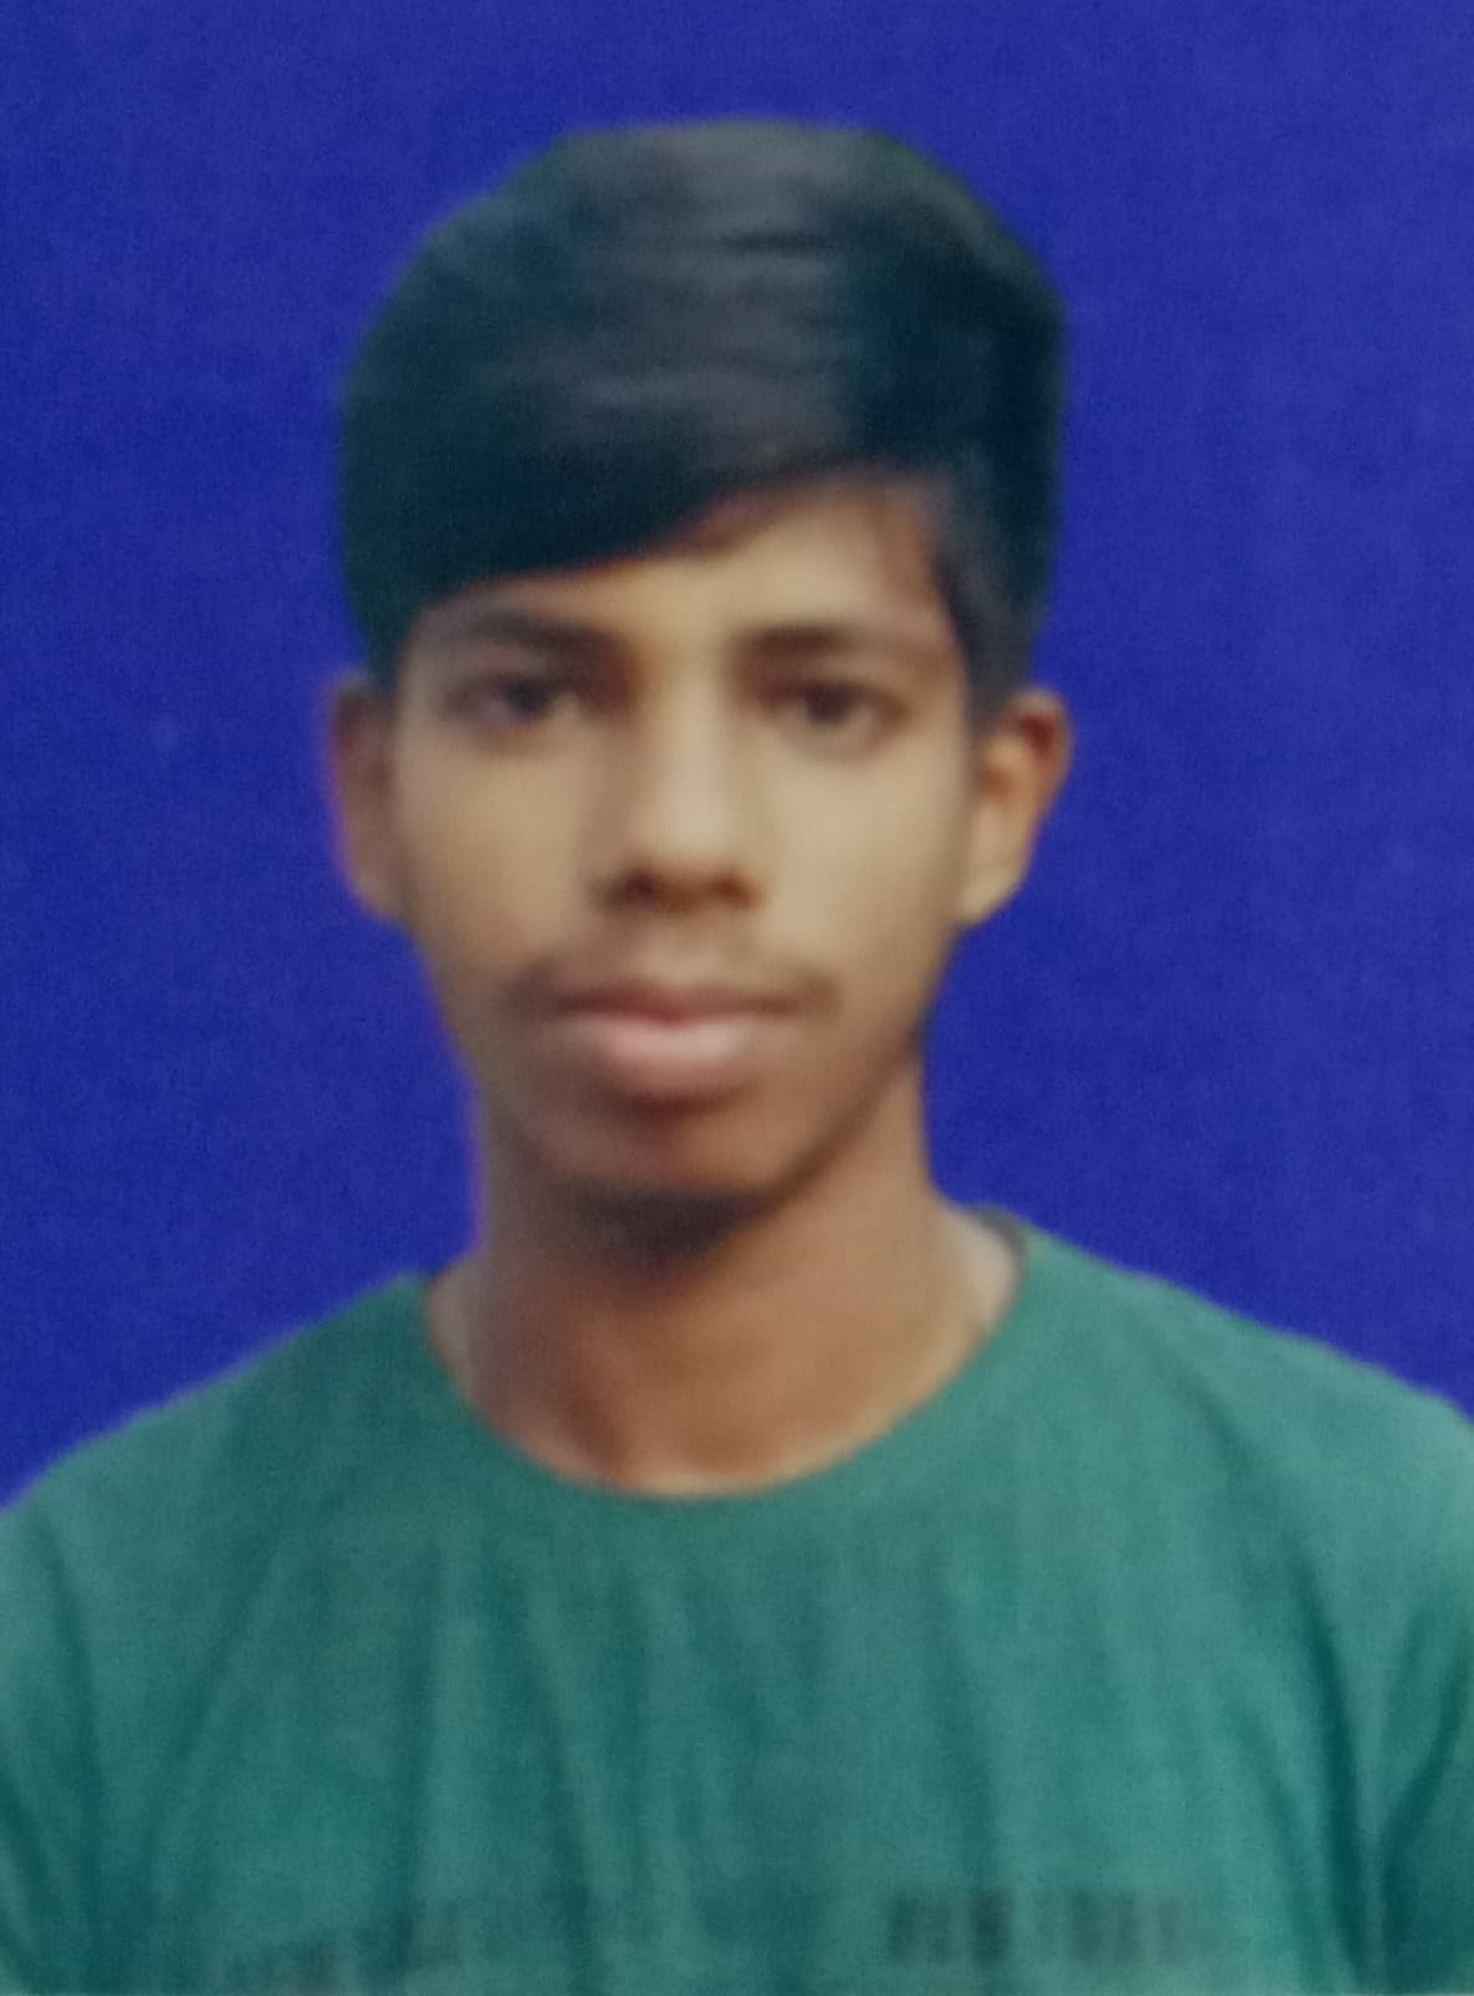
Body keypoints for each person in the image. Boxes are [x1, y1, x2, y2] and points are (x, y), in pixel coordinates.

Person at [1, 116, 1470, 1996]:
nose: (676, 835)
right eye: (533, 697)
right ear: (372, 793)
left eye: (820, 705)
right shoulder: (85, 1660)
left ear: (995, 801)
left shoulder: (1387, 1596)